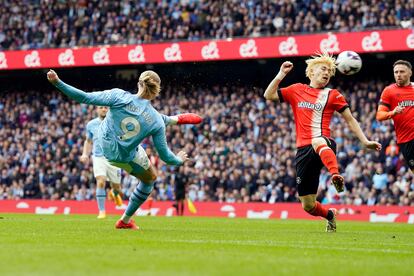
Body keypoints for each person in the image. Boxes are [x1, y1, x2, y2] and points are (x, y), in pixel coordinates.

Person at [47, 69, 201, 230]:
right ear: (157, 91)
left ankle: (174, 119)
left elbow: (84, 97)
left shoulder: (119, 96)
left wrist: (57, 82)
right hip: (122, 156)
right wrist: (179, 160)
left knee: (152, 122)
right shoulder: (156, 122)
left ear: (139, 83)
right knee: (150, 178)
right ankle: (125, 221)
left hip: (104, 144)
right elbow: (166, 157)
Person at [263, 53, 381, 232]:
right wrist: (281, 74)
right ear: (311, 72)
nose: (327, 73)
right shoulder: (297, 89)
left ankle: (335, 175)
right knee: (308, 205)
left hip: (324, 143)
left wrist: (364, 141)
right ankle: (330, 215)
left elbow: (350, 119)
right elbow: (268, 95)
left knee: (317, 140)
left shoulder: (333, 95)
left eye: (330, 71)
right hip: (303, 150)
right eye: (323, 69)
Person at [80, 106, 124, 219]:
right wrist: (85, 154)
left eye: (105, 108)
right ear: (97, 110)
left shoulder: (116, 123)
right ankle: (102, 211)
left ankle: (113, 193)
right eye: (101, 107)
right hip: (98, 157)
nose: (103, 109)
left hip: (114, 158)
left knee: (117, 187)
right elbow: (88, 141)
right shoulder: (91, 124)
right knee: (100, 181)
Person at [376, 60, 414, 172]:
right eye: (396, 72)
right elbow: (379, 115)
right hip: (406, 140)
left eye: (402, 71)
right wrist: (393, 112)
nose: (398, 74)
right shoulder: (389, 91)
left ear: (410, 73)